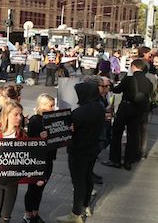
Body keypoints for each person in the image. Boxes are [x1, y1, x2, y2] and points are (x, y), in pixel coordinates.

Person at [56, 82, 105, 223]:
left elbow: (69, 128)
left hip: (78, 150)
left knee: (78, 182)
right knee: (88, 178)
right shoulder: (99, 107)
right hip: (92, 148)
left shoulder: (80, 112)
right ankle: (86, 206)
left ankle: (76, 214)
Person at [102, 59, 153, 170]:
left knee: (117, 133)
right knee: (133, 135)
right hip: (138, 110)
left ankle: (115, 160)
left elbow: (117, 90)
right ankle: (128, 161)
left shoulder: (129, 79)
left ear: (133, 66)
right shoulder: (148, 81)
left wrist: (110, 85)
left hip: (125, 108)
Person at [23, 94, 56, 223]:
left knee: (40, 189)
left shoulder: (51, 119)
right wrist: (39, 137)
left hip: (48, 159)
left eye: (53, 105)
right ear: (42, 106)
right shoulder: (35, 120)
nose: (53, 108)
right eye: (51, 105)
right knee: (33, 189)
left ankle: (35, 213)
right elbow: (29, 141)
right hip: (36, 161)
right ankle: (27, 214)